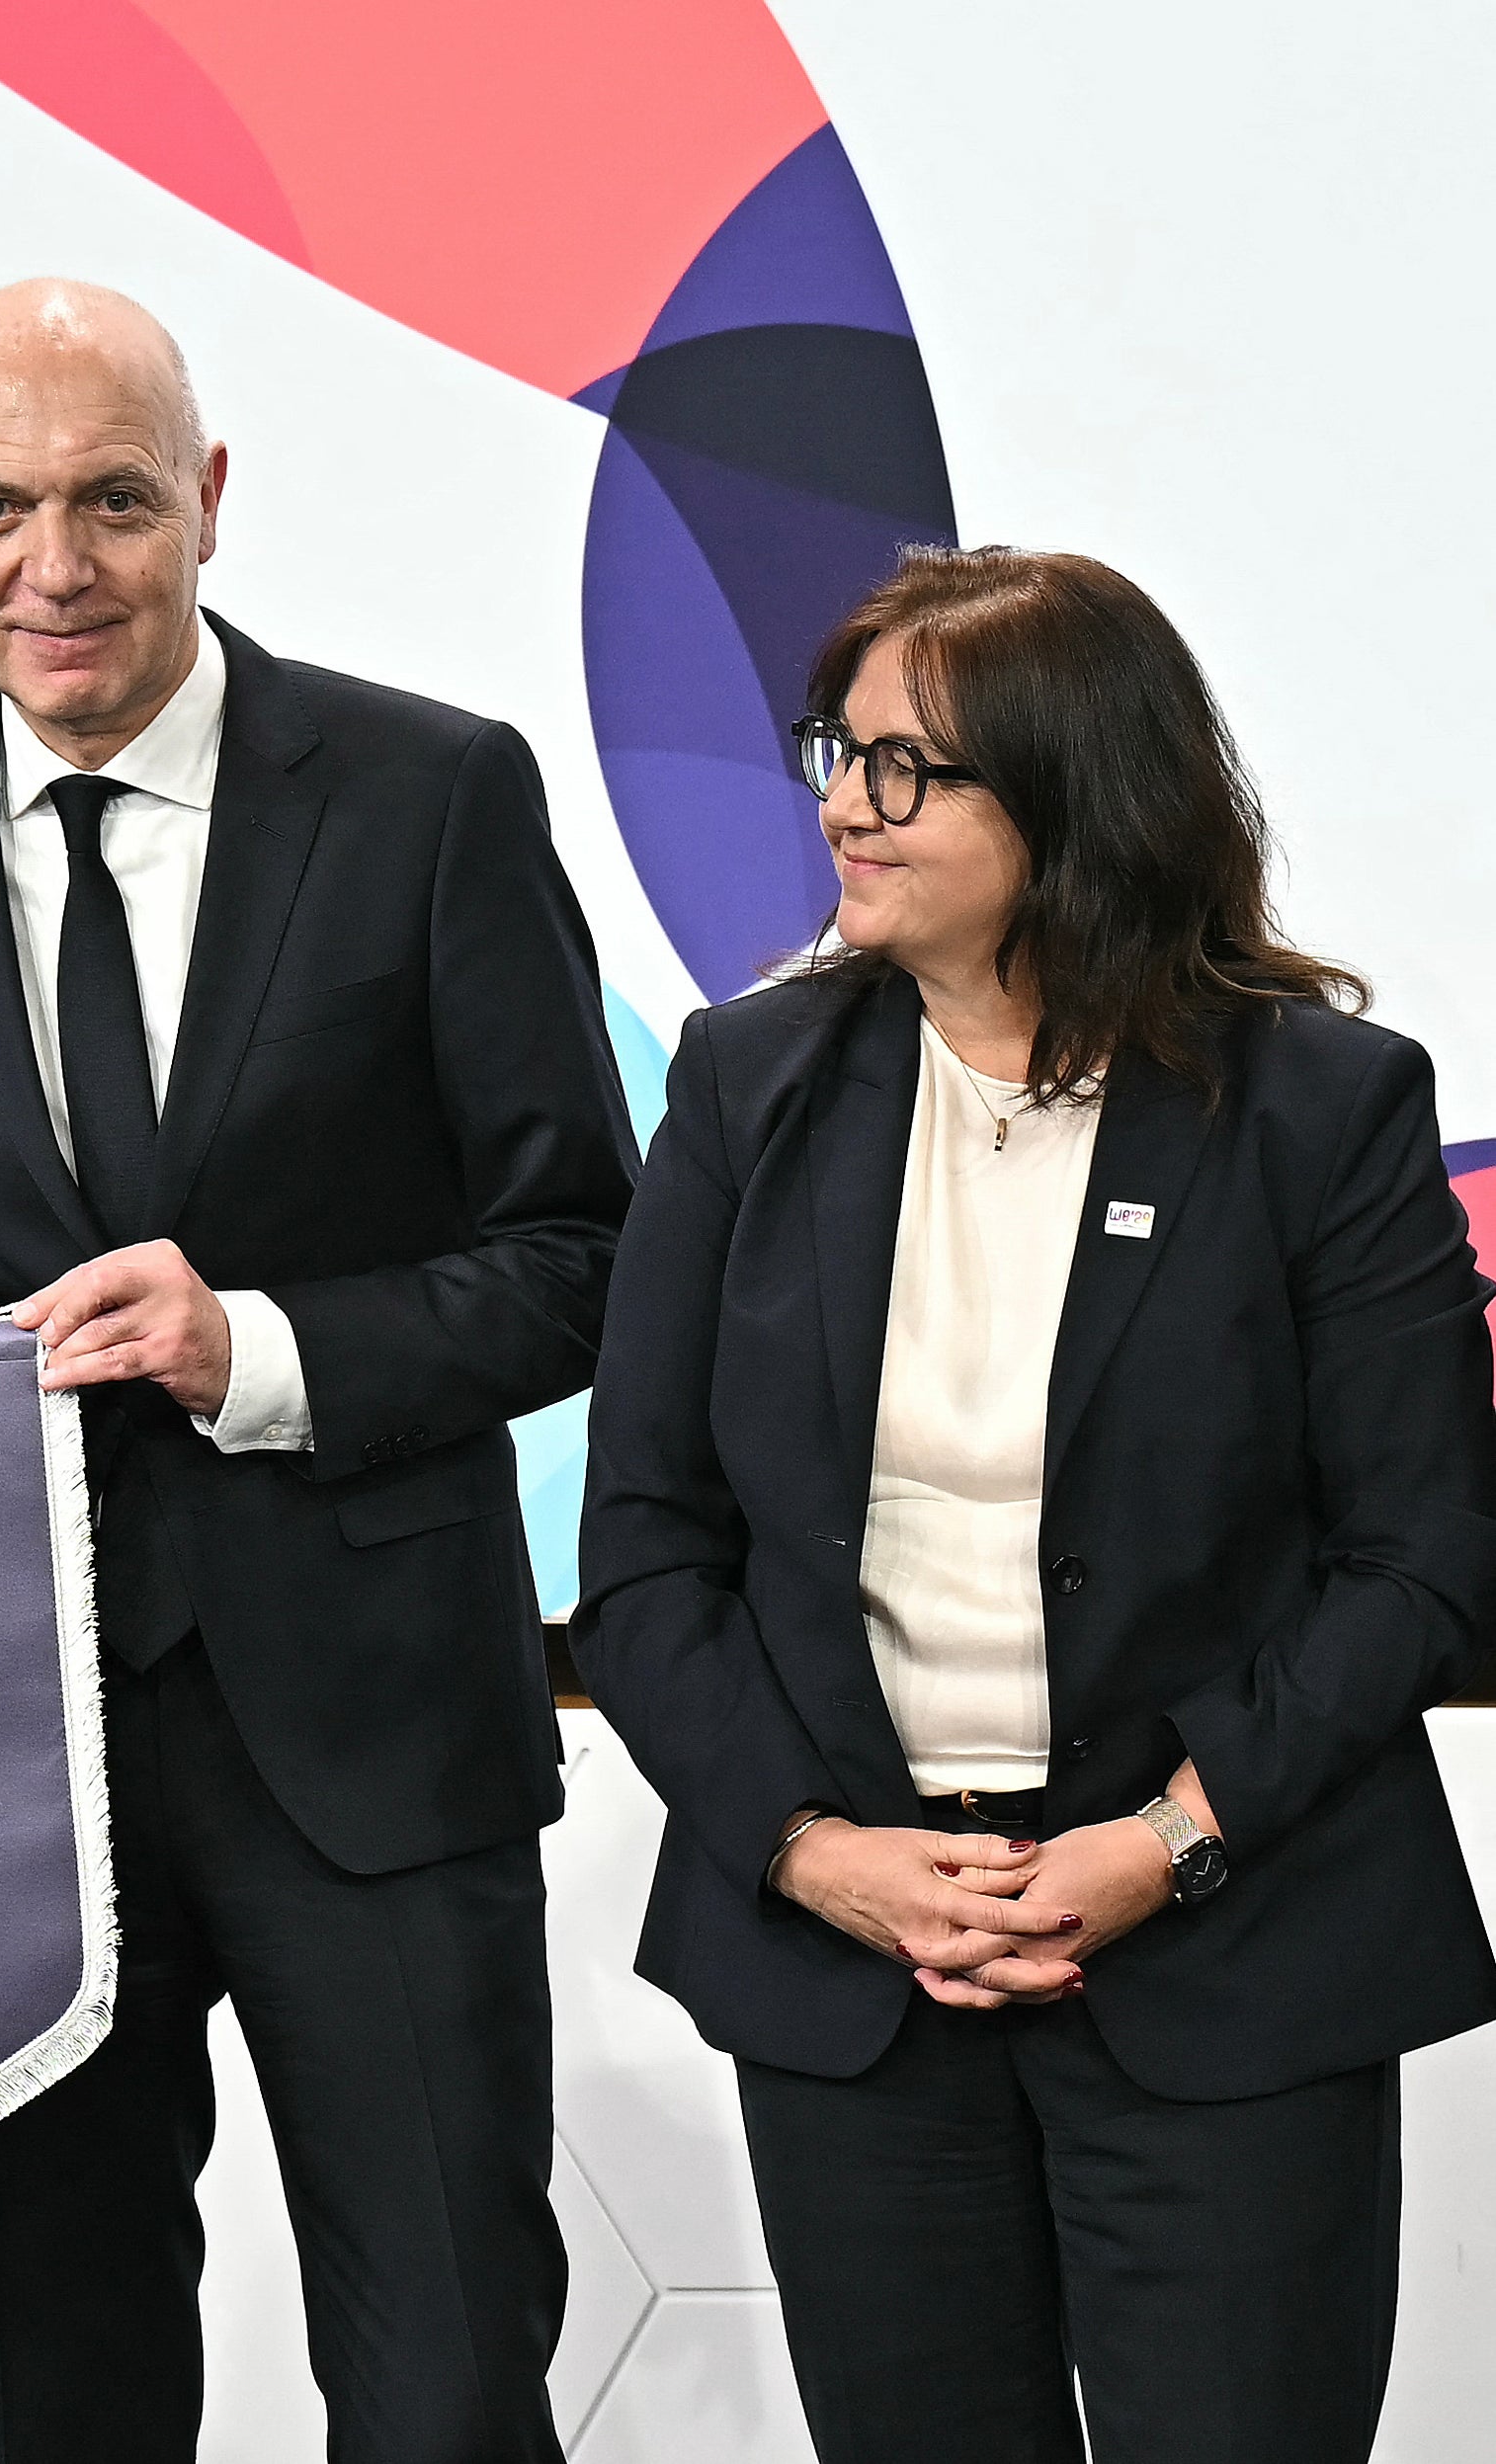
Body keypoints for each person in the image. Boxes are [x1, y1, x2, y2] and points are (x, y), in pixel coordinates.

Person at [0, 279, 636, 2461]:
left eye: (109, 500)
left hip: (371, 1745)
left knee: (442, 2379)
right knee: (58, 2387)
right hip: (7, 1755)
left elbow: (582, 1258)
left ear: (208, 502)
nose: (50, 565)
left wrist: (247, 1344)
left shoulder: (430, 790)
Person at [574, 545, 1496, 2462]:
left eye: (904, 765)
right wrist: (812, 1847)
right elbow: (649, 1548)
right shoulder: (750, 1086)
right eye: (835, 747)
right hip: (857, 1978)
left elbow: (1415, 1557)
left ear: (1073, 794)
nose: (841, 798)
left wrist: (1161, 1839)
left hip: (1224, 1959)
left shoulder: (1315, 1106)